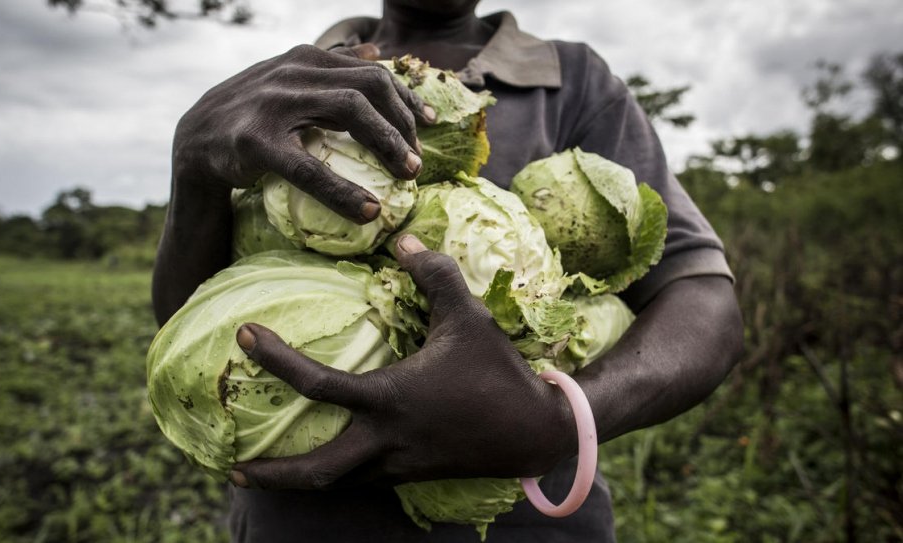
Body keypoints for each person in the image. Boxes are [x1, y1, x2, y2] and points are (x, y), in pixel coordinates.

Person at [152, 1, 744, 541]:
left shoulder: (574, 80)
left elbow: (703, 301)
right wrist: (192, 167)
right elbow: (192, 312)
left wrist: (557, 423)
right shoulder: (290, 80)